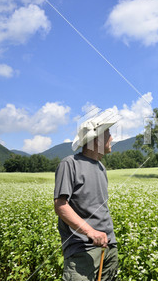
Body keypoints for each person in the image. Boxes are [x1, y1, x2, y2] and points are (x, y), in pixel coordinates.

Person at [54, 109, 120, 281]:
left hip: (109, 247)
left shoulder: (101, 168)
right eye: (108, 133)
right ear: (96, 139)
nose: (112, 138)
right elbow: (61, 205)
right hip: (83, 250)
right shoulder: (70, 164)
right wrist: (90, 232)